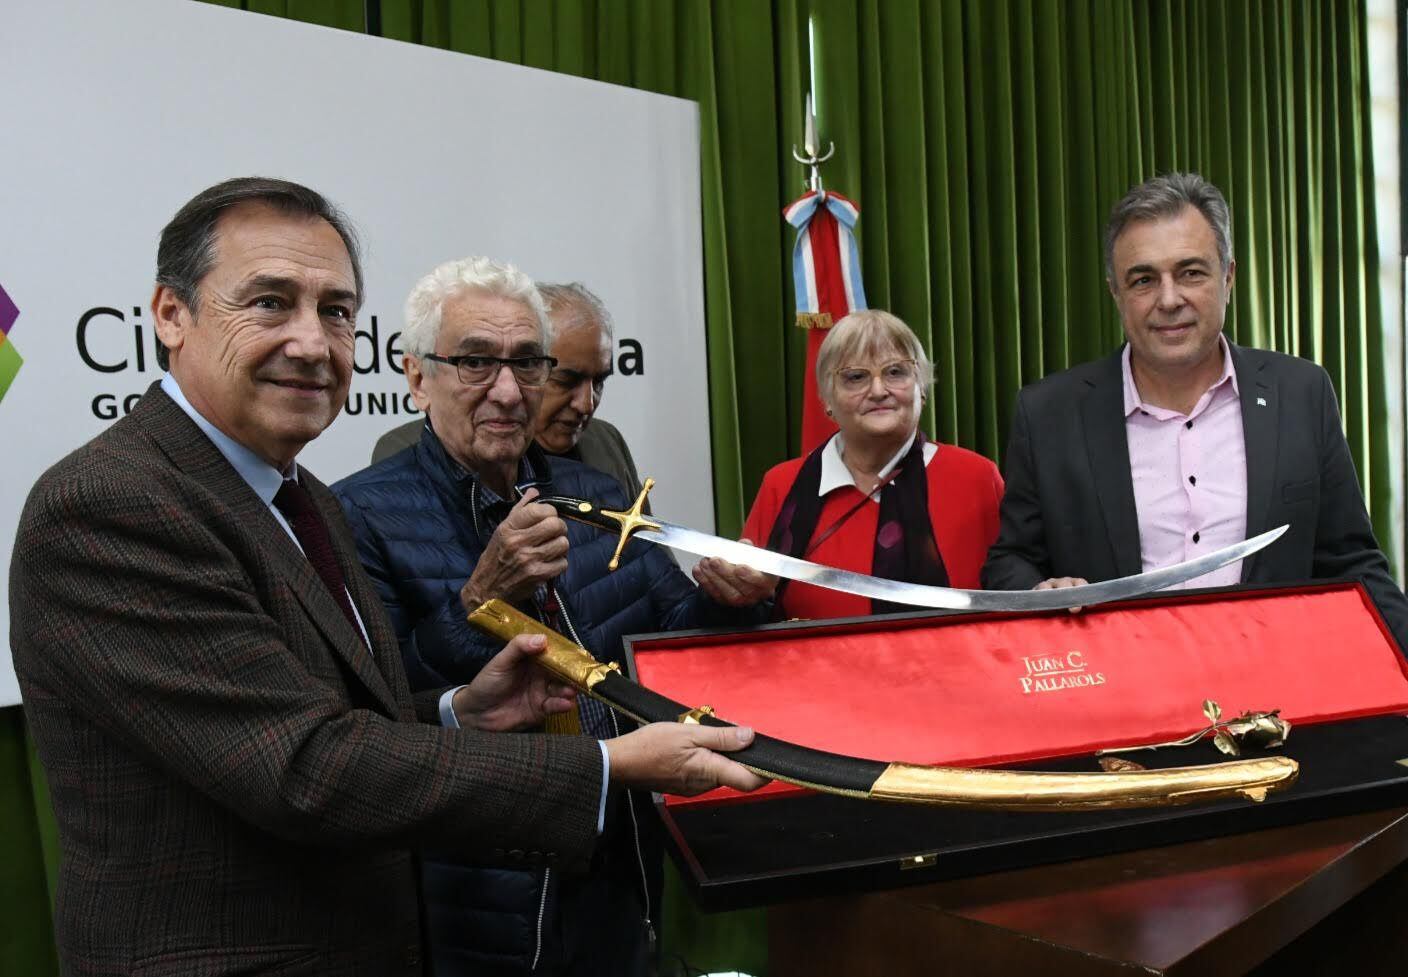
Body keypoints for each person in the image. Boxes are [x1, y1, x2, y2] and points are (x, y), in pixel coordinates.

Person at [9, 177, 765, 977]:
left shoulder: (301, 499)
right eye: (270, 302)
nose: (311, 341)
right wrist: (610, 764)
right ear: (171, 314)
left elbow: (341, 714)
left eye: (335, 311)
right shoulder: (113, 503)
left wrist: (456, 710)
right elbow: (304, 765)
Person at [332, 256, 772, 977]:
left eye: (529, 364)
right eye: (476, 362)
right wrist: (480, 603)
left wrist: (737, 599)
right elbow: (374, 716)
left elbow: (668, 636)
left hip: (619, 857)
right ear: (416, 377)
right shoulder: (360, 514)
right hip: (480, 891)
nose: (508, 391)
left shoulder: (596, 492)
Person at [981, 171, 1408, 650]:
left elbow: (1353, 564)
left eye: (1191, 272)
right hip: (1123, 694)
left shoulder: (1301, 391)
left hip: (1277, 699)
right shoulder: (1048, 414)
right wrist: (1040, 591)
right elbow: (1010, 561)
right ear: (1115, 294)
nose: (1169, 299)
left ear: (1228, 277)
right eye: (1143, 280)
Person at [742, 309, 1005, 620]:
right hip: (815, 667)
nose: (879, 391)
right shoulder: (781, 484)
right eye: (856, 377)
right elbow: (752, 604)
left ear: (921, 386)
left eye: (895, 372)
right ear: (827, 399)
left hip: (952, 666)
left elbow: (1014, 584)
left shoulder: (975, 477)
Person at [370, 283, 645, 503]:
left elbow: (645, 553)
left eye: (599, 381)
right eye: (566, 381)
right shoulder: (404, 451)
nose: (586, 404)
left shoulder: (606, 442)